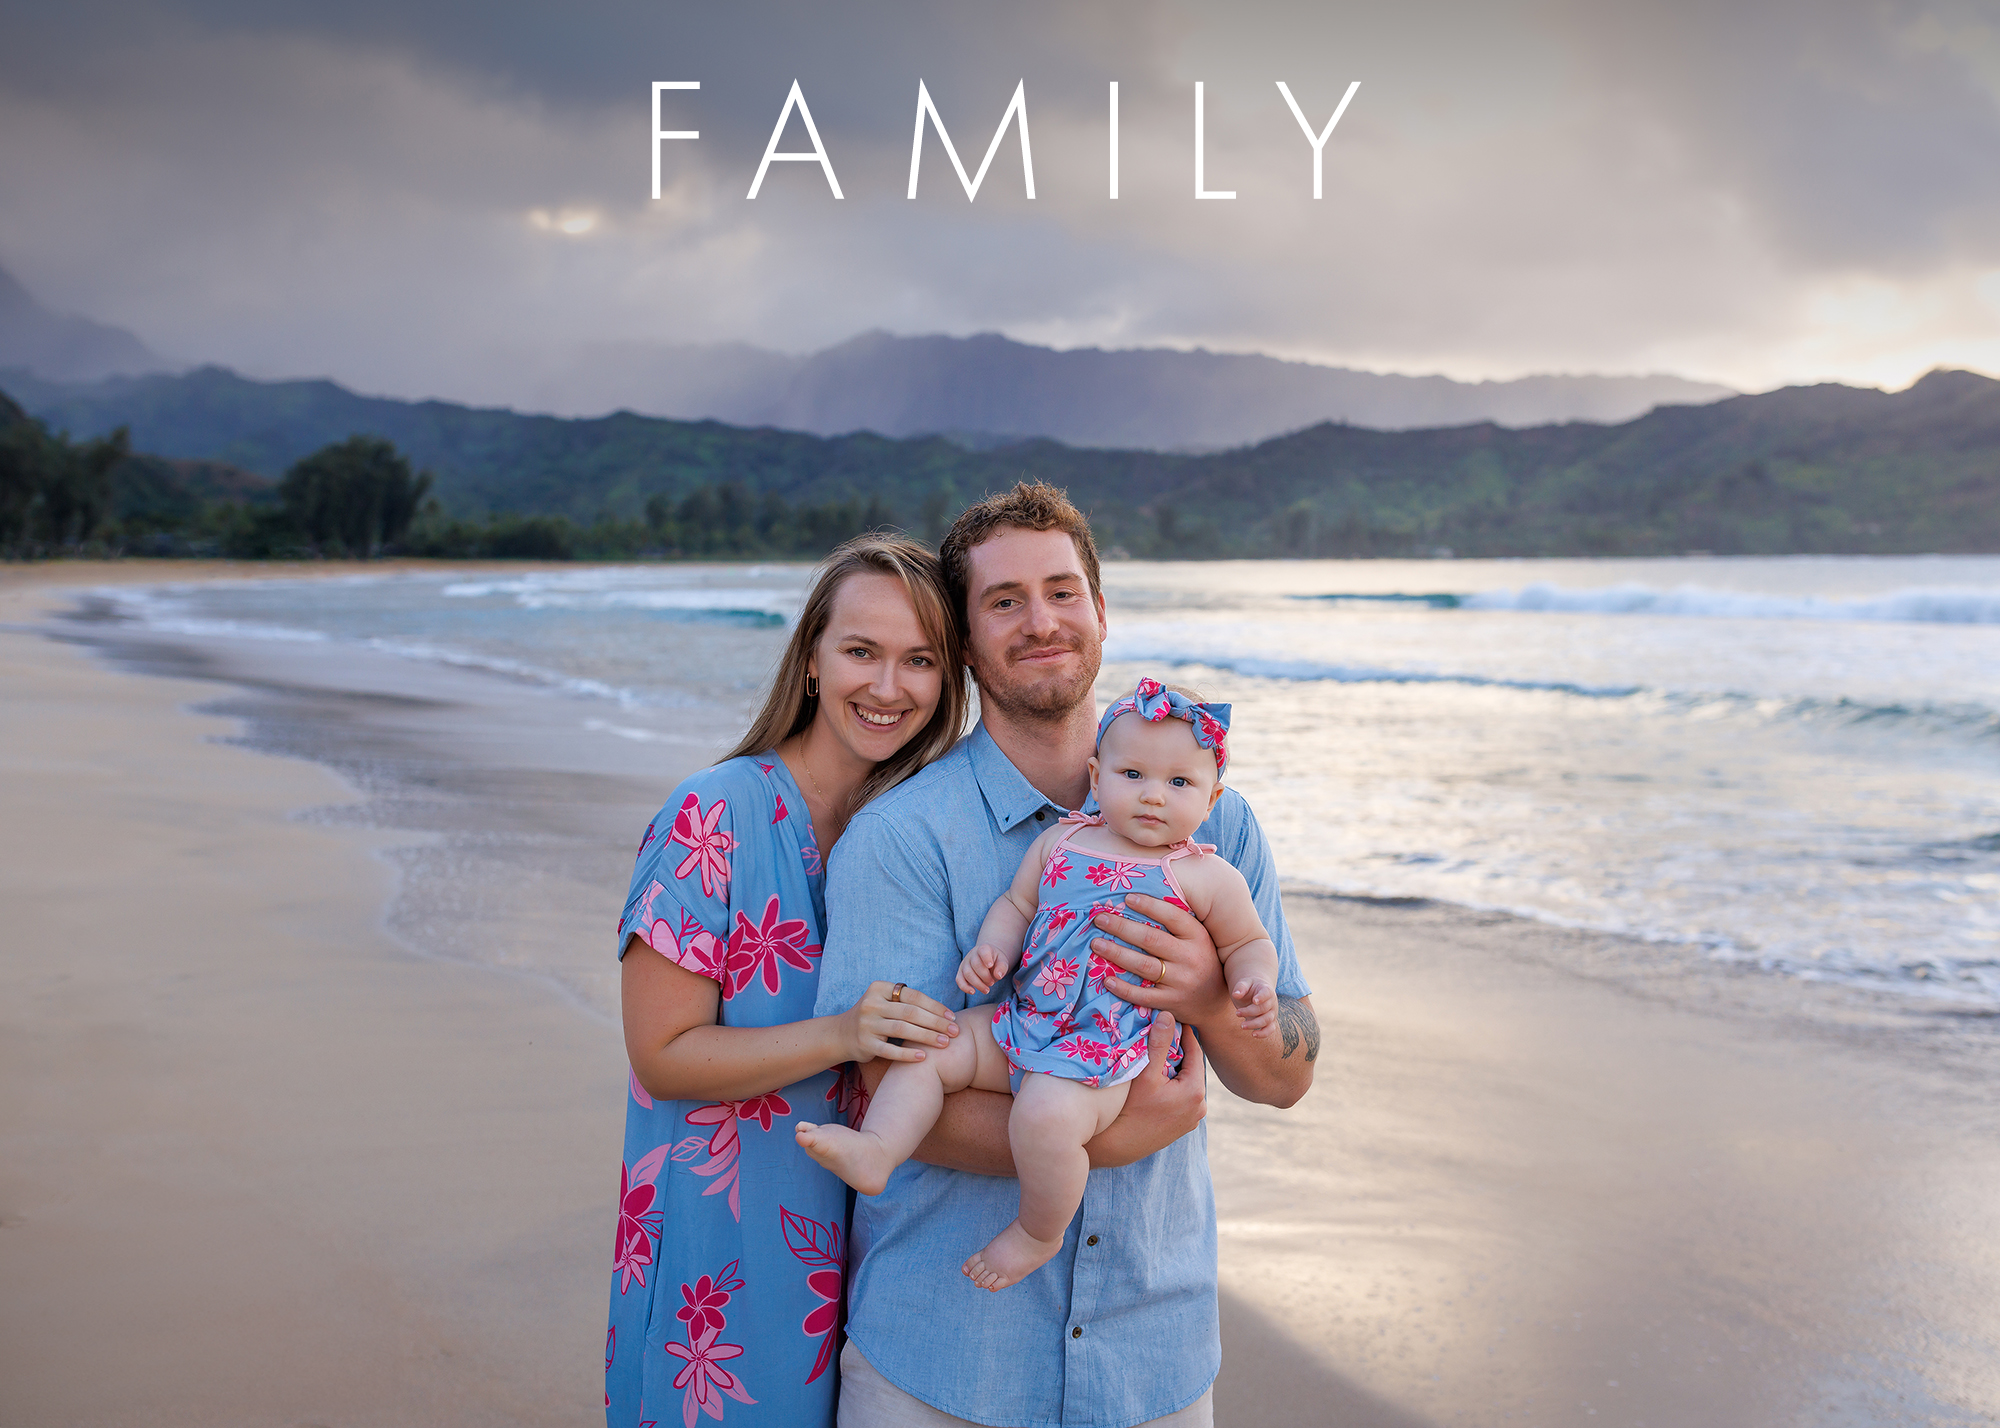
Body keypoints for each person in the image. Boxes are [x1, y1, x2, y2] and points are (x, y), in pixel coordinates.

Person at [813, 483, 1319, 1428]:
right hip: (944, 1360)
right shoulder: (902, 837)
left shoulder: (1221, 831)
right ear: (966, 642)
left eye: (1061, 591)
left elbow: (1286, 1077)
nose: (1040, 621)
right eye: (1004, 601)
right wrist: (1125, 1133)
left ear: (1099, 610)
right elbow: (888, 1093)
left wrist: (1212, 999)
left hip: (1152, 1359)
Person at [606, 535, 971, 1428]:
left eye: (920, 660)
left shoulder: (911, 835)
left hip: (865, 1260)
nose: (889, 687)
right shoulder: (714, 811)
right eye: (862, 651)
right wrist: (844, 1034)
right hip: (720, 1255)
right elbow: (662, 1055)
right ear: (811, 659)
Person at [796, 677, 1280, 1294]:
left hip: (1104, 1051)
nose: (1153, 796)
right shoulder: (1065, 839)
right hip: (1025, 1017)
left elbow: (1248, 943)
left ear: (1211, 800)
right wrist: (991, 950)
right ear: (1096, 774)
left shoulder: (1205, 875)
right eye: (1133, 774)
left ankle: (1037, 1232)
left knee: (1045, 1118)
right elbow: (1018, 904)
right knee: (934, 1049)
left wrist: (1250, 985)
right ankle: (878, 1148)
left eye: (1179, 784)